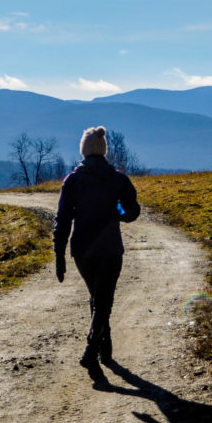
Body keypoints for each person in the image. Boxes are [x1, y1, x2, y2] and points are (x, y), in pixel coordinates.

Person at [53, 126, 141, 368]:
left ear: (83, 151)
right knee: (103, 299)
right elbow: (131, 211)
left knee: (98, 297)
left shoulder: (72, 181)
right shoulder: (118, 179)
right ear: (103, 150)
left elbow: (62, 221)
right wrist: (117, 211)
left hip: (82, 250)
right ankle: (94, 348)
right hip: (110, 248)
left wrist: (59, 256)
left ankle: (102, 348)